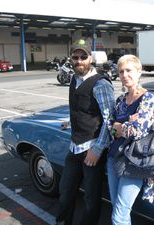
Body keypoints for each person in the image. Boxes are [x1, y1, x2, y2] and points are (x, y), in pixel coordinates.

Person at [56, 39, 115, 225]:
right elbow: (82, 108)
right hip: (74, 147)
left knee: (91, 198)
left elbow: (109, 120)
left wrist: (98, 149)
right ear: (71, 59)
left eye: (83, 56)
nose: (79, 60)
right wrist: (71, 121)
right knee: (65, 191)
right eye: (75, 57)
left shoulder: (101, 84)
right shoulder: (74, 78)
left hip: (91, 148)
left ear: (90, 58)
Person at [107, 54, 154, 225]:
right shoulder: (121, 100)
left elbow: (139, 131)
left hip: (133, 161)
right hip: (114, 157)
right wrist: (123, 126)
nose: (125, 75)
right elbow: (110, 127)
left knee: (119, 214)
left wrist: (121, 127)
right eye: (121, 72)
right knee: (117, 208)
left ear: (139, 72)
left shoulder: (147, 98)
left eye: (129, 70)